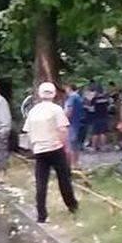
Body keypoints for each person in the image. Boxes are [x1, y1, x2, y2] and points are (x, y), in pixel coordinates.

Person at [23, 82, 78, 223]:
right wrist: (65, 147)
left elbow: (28, 131)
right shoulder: (56, 110)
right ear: (53, 94)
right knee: (64, 178)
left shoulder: (33, 111)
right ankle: (72, 205)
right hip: (55, 147)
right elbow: (63, 130)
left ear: (40, 94)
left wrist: (33, 147)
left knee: (41, 182)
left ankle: (41, 214)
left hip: (39, 149)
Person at [63, 84, 85, 165]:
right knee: (76, 145)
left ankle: (70, 164)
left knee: (70, 145)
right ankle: (76, 163)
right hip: (79, 123)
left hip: (72, 124)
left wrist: (64, 120)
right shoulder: (79, 97)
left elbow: (69, 110)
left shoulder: (71, 98)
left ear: (69, 88)